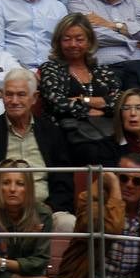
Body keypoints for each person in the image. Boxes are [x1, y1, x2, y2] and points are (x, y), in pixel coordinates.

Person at [0, 68, 76, 223]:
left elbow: (64, 180)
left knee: (68, 224)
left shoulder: (51, 132)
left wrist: (48, 210)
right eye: (9, 94)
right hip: (2, 212)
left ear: (34, 98)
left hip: (47, 211)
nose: (14, 101)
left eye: (21, 94)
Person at [38, 12, 123, 164]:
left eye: (79, 39)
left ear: (89, 42)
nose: (73, 44)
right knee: (92, 153)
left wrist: (83, 100)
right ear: (58, 42)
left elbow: (119, 101)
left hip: (106, 135)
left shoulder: (102, 71)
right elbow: (57, 103)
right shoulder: (51, 69)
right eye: (67, 39)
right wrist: (98, 108)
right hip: (66, 137)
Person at [0, 158, 58, 278]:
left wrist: (0, 262)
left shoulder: (43, 214)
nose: (12, 189)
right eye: (6, 183)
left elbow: (40, 262)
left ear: (28, 188)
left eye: (20, 184)